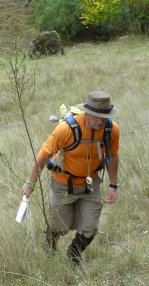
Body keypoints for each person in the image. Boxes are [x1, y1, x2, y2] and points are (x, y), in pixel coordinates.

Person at [22, 91, 120, 265]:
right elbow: (43, 156)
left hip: (91, 186)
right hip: (62, 185)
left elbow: (112, 157)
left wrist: (113, 185)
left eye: (105, 117)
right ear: (86, 113)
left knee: (90, 228)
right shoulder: (66, 129)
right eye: (97, 116)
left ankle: (74, 255)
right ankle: (50, 242)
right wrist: (31, 183)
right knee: (60, 226)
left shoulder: (111, 130)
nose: (101, 121)